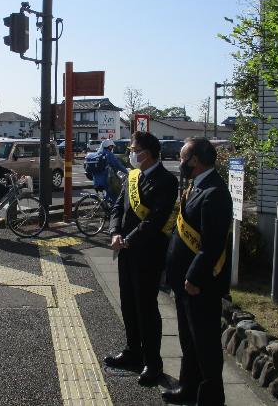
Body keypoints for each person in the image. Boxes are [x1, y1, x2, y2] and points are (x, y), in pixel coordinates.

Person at [162, 137, 233, 406]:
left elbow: (212, 244)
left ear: (194, 160)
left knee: (205, 344)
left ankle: (211, 399)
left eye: (182, 157)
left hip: (200, 285)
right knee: (189, 340)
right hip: (184, 283)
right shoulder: (195, 186)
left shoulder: (214, 192)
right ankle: (188, 389)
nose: (179, 162)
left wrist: (194, 276)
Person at [105, 131, 178, 387]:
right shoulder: (132, 177)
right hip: (123, 250)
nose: (131, 154)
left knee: (146, 308)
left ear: (148, 152)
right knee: (128, 304)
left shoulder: (166, 180)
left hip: (147, 253)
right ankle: (132, 351)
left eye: (135, 149)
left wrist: (129, 239)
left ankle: (153, 362)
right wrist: (115, 232)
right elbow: (117, 207)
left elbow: (155, 220)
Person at [91, 139, 129, 205]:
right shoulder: (108, 154)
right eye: (112, 146)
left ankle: (106, 208)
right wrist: (127, 172)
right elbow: (118, 165)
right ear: (109, 146)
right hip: (105, 181)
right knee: (116, 196)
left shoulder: (98, 153)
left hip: (96, 180)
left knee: (108, 194)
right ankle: (114, 212)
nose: (112, 148)